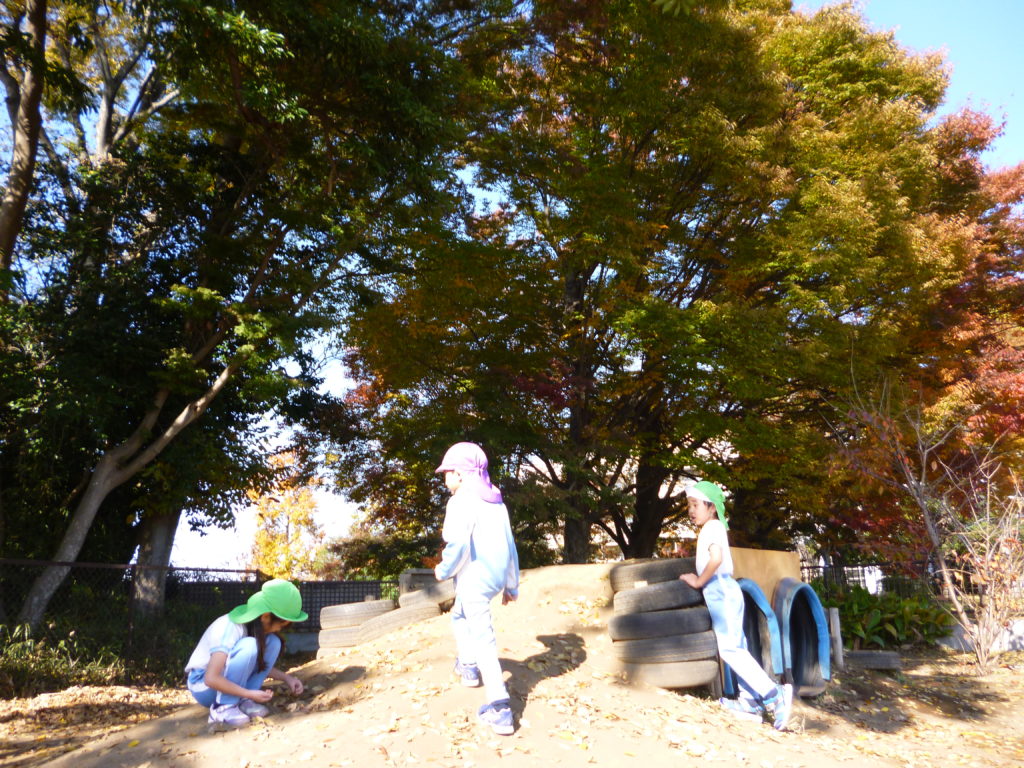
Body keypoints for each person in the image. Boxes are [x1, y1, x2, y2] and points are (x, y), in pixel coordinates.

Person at [678, 481, 794, 731]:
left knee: (730, 649)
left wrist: (698, 581)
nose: (691, 510)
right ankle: (750, 702)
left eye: (695, 505)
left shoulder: (712, 527)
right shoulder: (713, 527)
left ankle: (774, 695)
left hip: (720, 589)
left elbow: (716, 559)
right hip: (724, 590)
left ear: (711, 507)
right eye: (689, 505)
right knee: (737, 646)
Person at [433, 441, 520, 736]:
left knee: (484, 638)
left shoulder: (460, 501)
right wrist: (511, 585)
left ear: (460, 473)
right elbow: (510, 545)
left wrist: (443, 570)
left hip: (474, 579)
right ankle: (468, 666)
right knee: (459, 614)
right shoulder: (497, 502)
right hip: (495, 578)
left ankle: (500, 707)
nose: (444, 478)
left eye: (447, 472)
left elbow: (458, 544)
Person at [185, 578, 307, 728]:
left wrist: (287, 678)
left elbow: (249, 664)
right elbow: (210, 678)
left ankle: (242, 702)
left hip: (223, 681)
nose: (279, 629)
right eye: (281, 625)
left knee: (274, 642)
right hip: (203, 687)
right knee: (250, 645)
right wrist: (248, 693)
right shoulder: (230, 628)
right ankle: (222, 707)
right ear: (265, 616)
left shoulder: (255, 628)